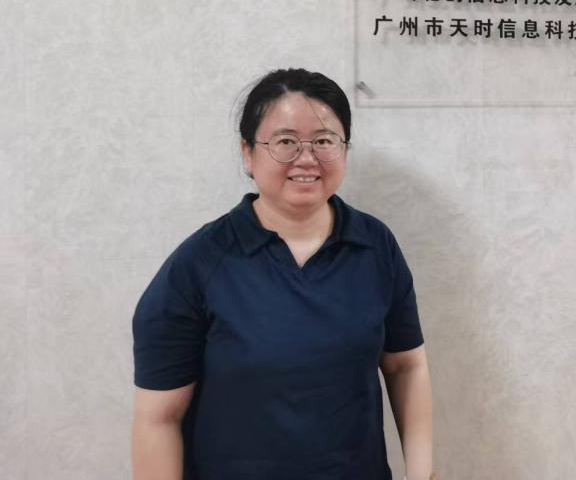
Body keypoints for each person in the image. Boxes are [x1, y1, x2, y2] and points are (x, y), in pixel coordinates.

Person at [131, 68, 433, 480]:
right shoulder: (199, 264)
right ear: (248, 153)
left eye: (324, 141)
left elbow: (405, 366)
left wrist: (422, 474)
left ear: (345, 149)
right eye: (285, 141)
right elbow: (158, 418)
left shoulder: (375, 246)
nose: (306, 158)